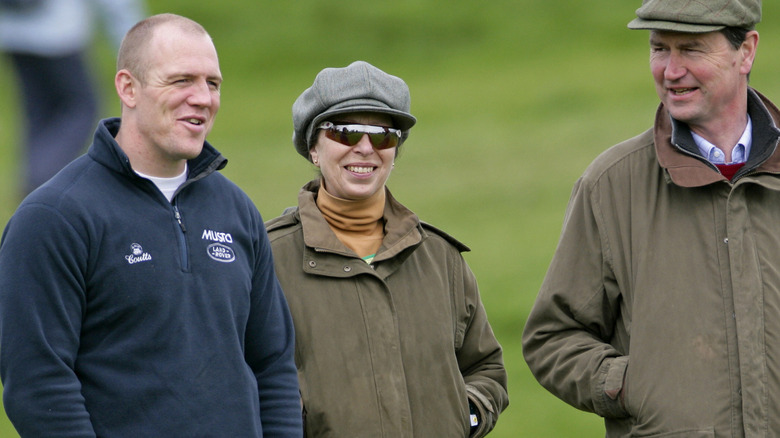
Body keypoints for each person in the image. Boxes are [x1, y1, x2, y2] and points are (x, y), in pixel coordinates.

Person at [0, 13, 302, 437]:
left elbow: (274, 365)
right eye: (181, 81)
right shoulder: (53, 219)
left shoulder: (237, 211)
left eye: (212, 84)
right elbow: (39, 385)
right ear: (128, 88)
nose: (202, 98)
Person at [521, 0, 780, 436]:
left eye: (692, 50)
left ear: (746, 51)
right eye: (660, 49)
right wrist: (632, 385)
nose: (670, 70)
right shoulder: (610, 184)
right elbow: (553, 338)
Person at [265, 60, 509, 437]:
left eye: (383, 136)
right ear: (313, 147)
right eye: (345, 133)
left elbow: (486, 368)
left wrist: (467, 416)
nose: (365, 148)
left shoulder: (440, 258)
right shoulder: (267, 259)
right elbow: (239, 378)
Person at [0, 0, 146, 197]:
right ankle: (41, 180)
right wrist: (137, 48)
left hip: (13, 32)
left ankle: (34, 190)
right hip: (58, 31)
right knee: (82, 108)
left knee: (39, 114)